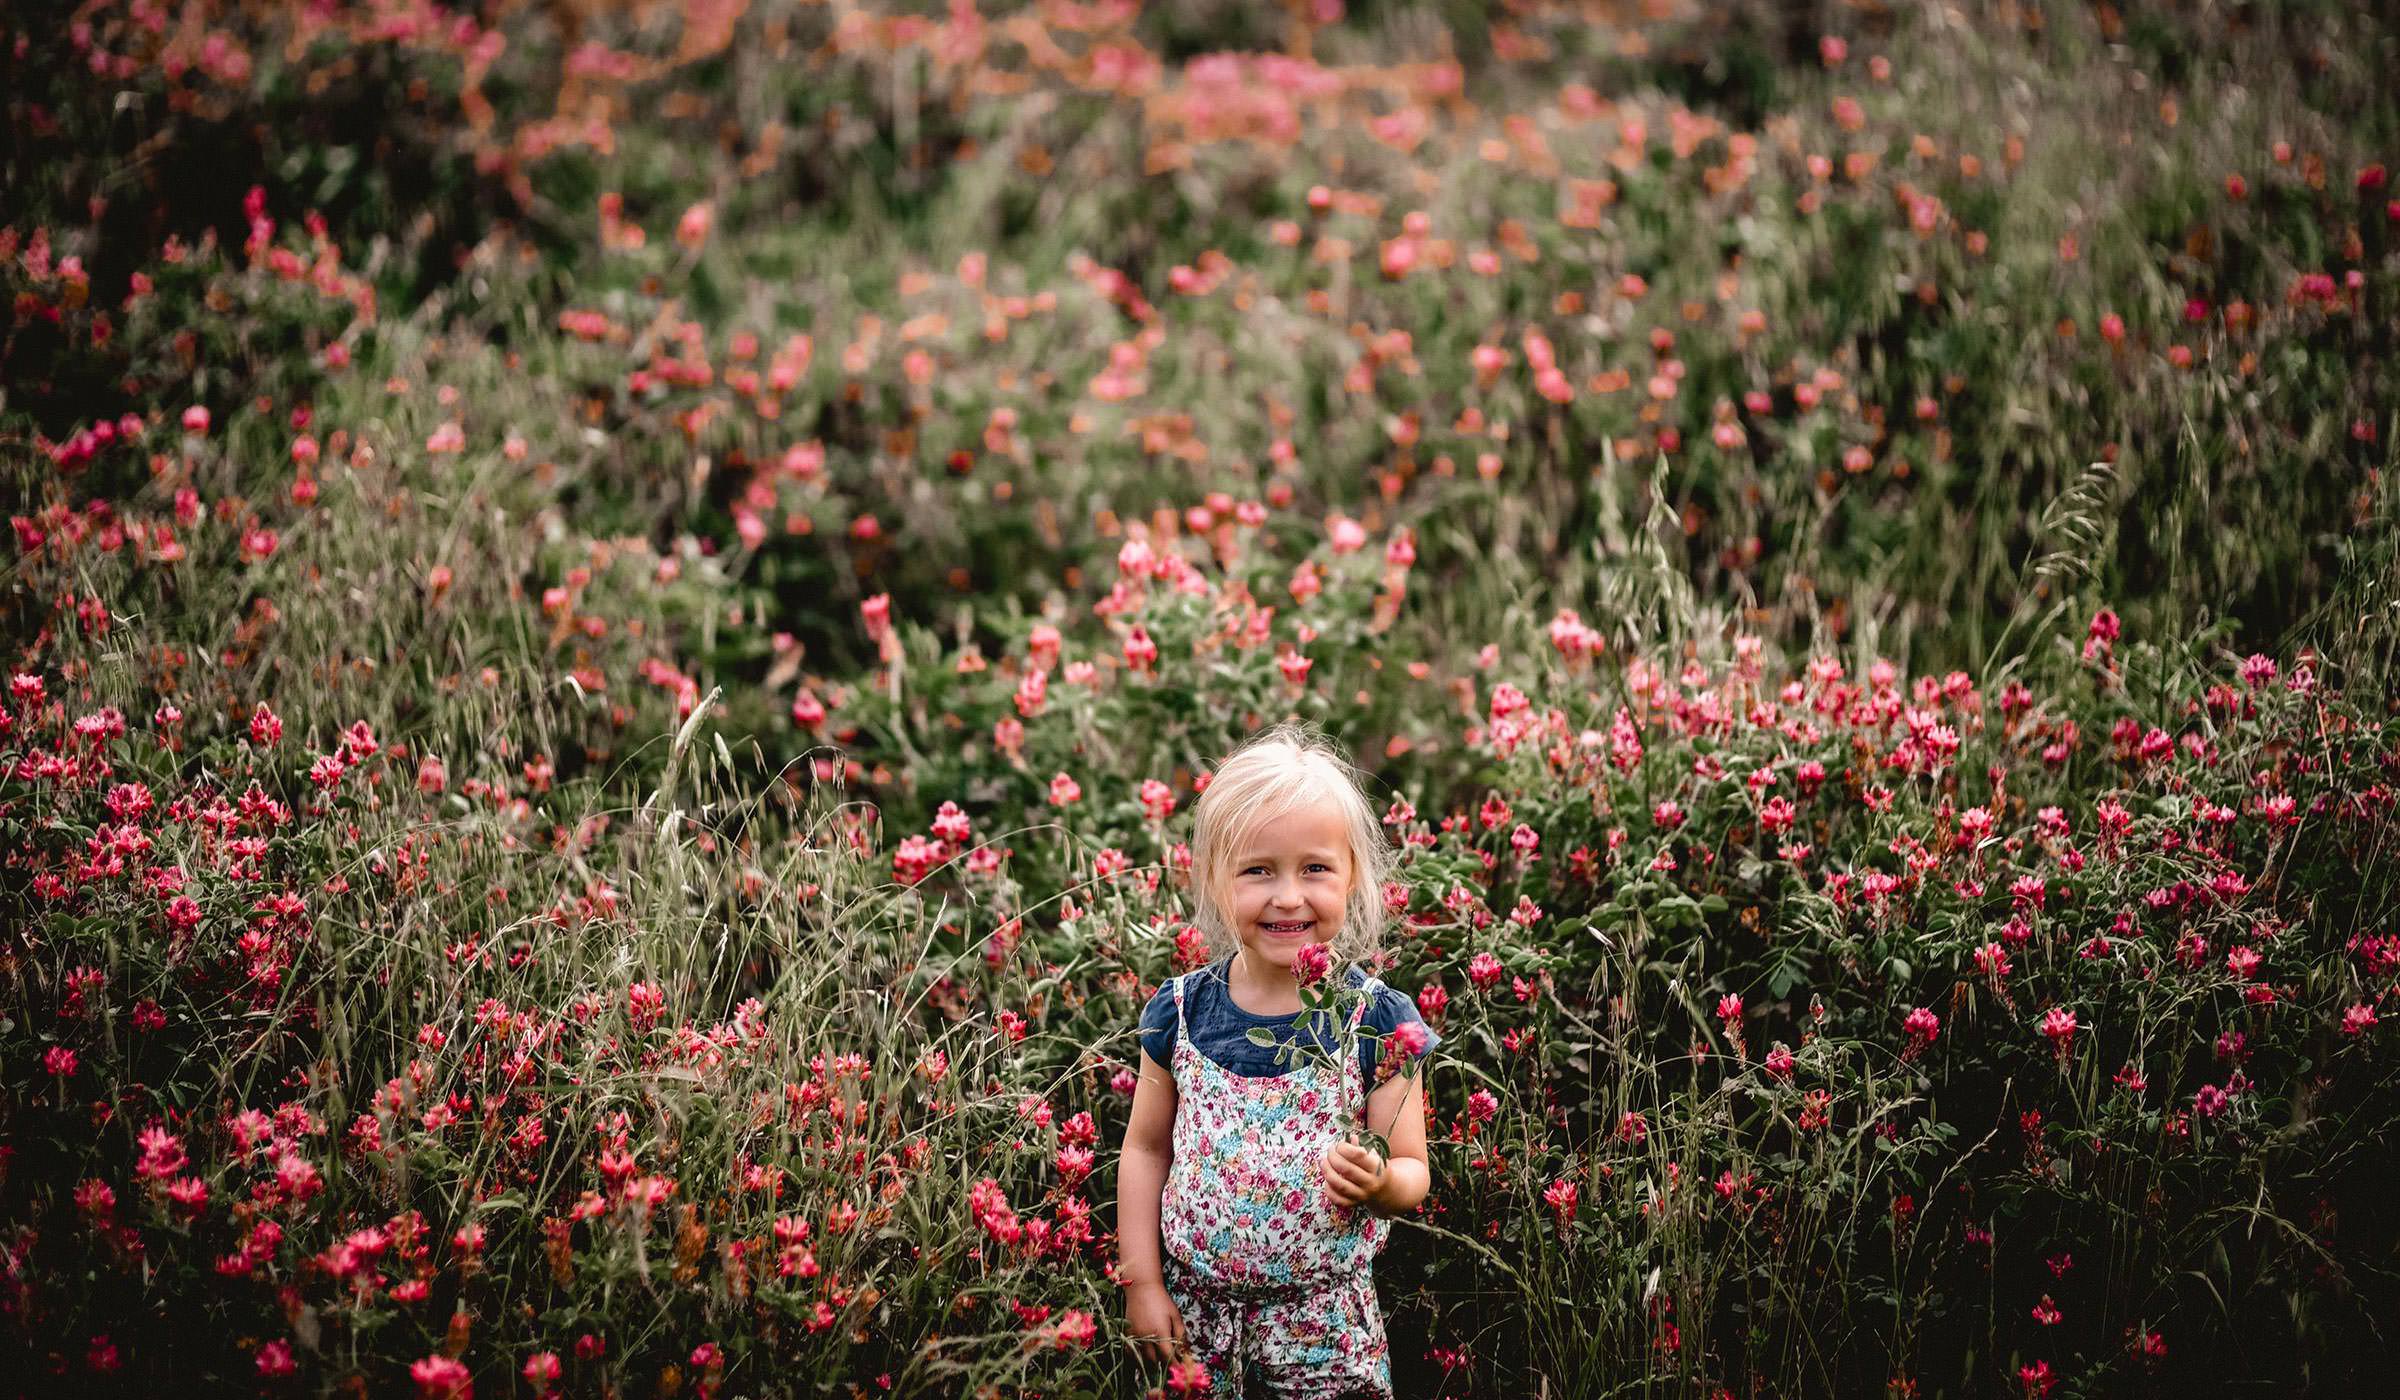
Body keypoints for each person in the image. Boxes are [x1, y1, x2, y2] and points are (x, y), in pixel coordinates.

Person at [1115, 722, 1440, 1399]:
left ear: (1352, 876)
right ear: (1214, 878)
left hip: (1324, 1327)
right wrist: (1142, 1282)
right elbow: (1146, 1150)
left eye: (1315, 868)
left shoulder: (1377, 1020)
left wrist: (1380, 1182)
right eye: (1258, 869)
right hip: (1195, 1317)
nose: (1288, 895)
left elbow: (1413, 1170)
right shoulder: (1178, 1012)